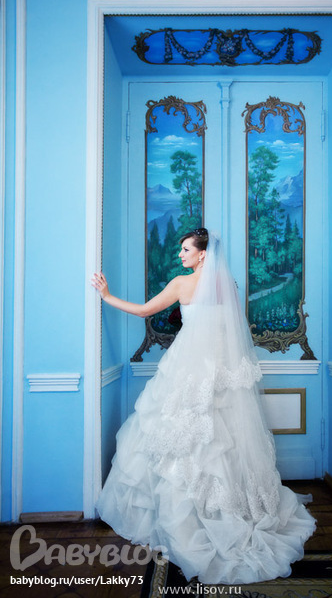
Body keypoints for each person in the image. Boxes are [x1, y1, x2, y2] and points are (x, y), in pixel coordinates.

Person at [91, 228, 316, 585]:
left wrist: (107, 296)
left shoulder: (182, 284)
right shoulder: (227, 285)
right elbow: (231, 331)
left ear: (202, 254)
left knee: (186, 438)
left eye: (185, 249)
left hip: (189, 368)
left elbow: (144, 311)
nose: (180, 255)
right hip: (220, 370)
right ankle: (225, 508)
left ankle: (191, 515)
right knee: (222, 441)